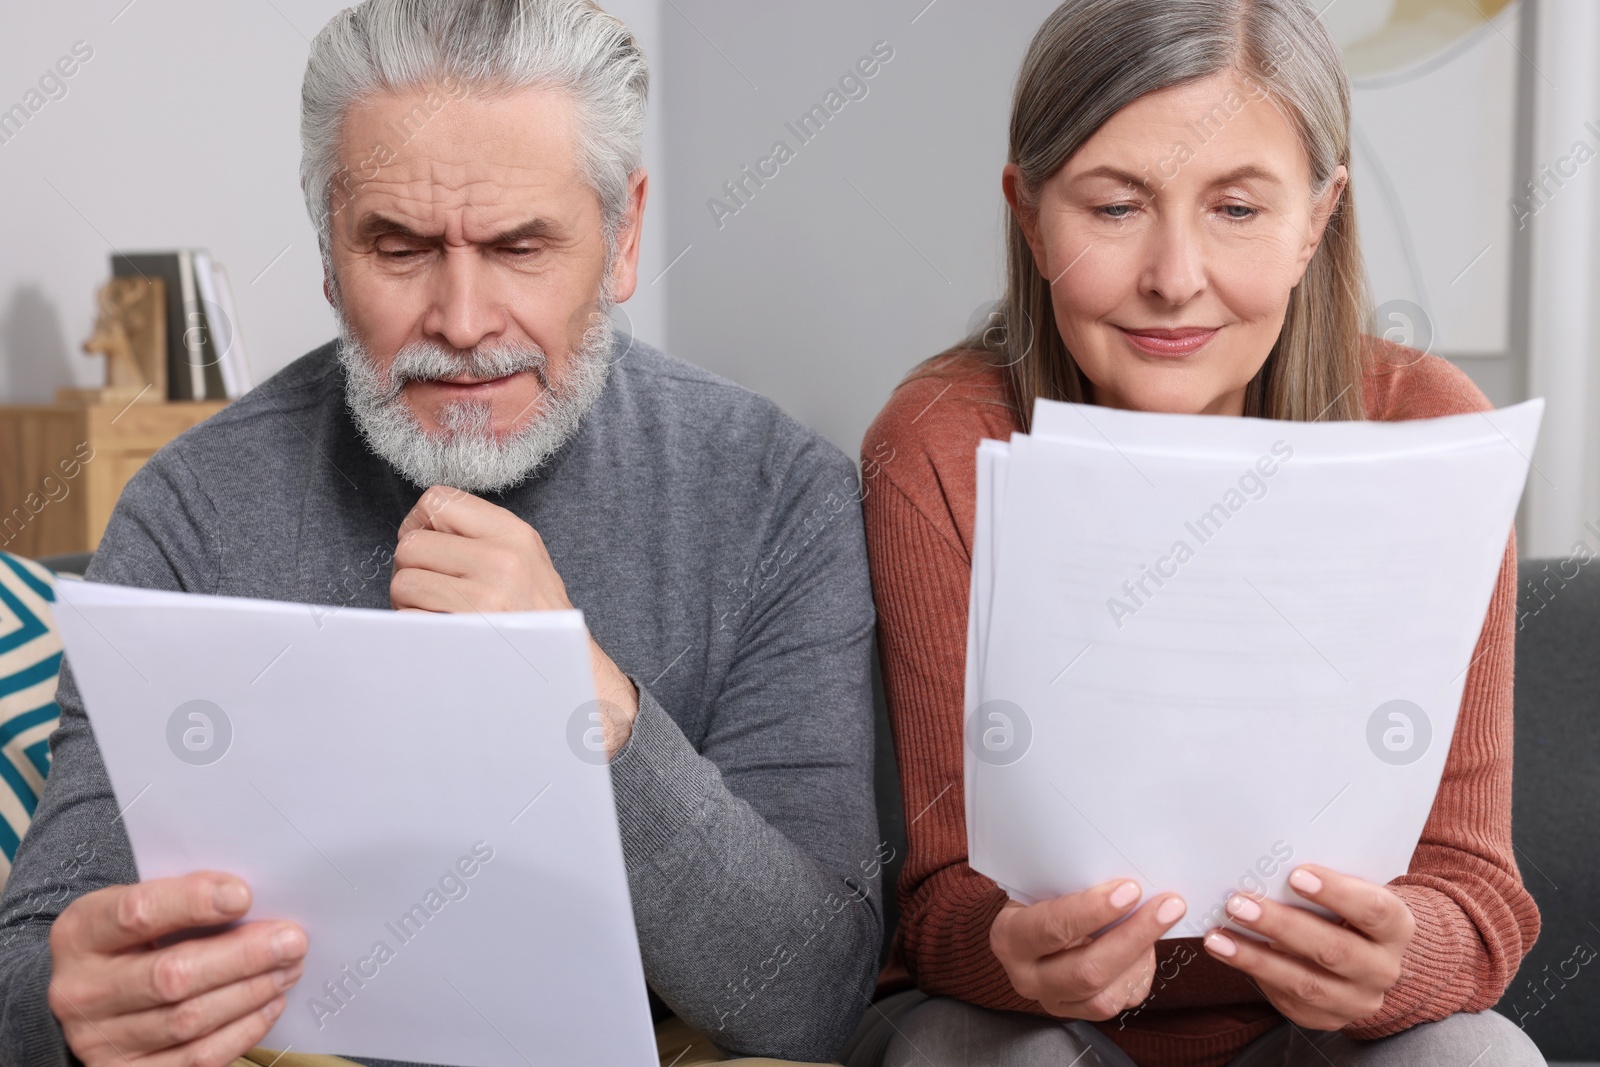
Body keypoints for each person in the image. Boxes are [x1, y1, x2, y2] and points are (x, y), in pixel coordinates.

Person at [0, 3, 882, 1065]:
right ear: (329, 247)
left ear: (624, 237)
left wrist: (585, 703)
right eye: (399, 245)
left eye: (519, 245)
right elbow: (34, 964)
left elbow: (812, 1001)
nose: (462, 322)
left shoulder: (778, 496)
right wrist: (69, 1002)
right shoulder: (190, 508)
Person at [851, 1, 1543, 1065]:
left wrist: (1399, 959)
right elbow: (939, 898)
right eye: (1116, 208)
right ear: (1028, 215)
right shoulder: (939, 445)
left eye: (1235, 209)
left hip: (1313, 1039)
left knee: (1474, 1055)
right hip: (1038, 1029)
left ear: (1316, 217)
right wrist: (1007, 947)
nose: (1174, 276)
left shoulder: (1426, 431)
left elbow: (1474, 893)